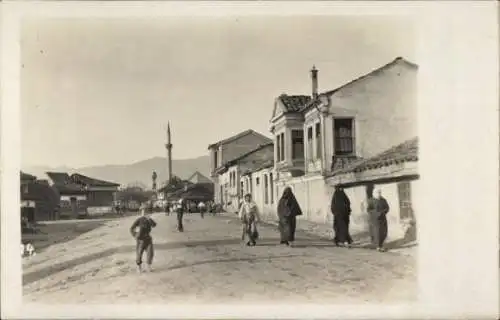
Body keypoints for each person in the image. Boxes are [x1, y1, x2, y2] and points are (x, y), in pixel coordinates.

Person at [130, 204, 157, 273]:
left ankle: (148, 267)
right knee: (139, 253)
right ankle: (139, 268)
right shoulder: (139, 220)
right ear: (141, 212)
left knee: (150, 253)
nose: (144, 212)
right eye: (143, 211)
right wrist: (135, 234)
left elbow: (154, 225)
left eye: (146, 211)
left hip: (148, 239)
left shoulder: (149, 220)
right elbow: (131, 228)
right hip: (140, 240)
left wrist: (149, 219)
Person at [367, 188, 390, 252]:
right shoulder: (371, 200)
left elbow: (387, 208)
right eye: (377, 192)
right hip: (375, 220)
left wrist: (383, 212)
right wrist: (376, 213)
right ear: (374, 193)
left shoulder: (383, 200)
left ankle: (381, 245)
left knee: (384, 232)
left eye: (380, 192)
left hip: (382, 219)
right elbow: (368, 210)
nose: (379, 194)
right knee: (377, 233)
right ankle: (378, 246)